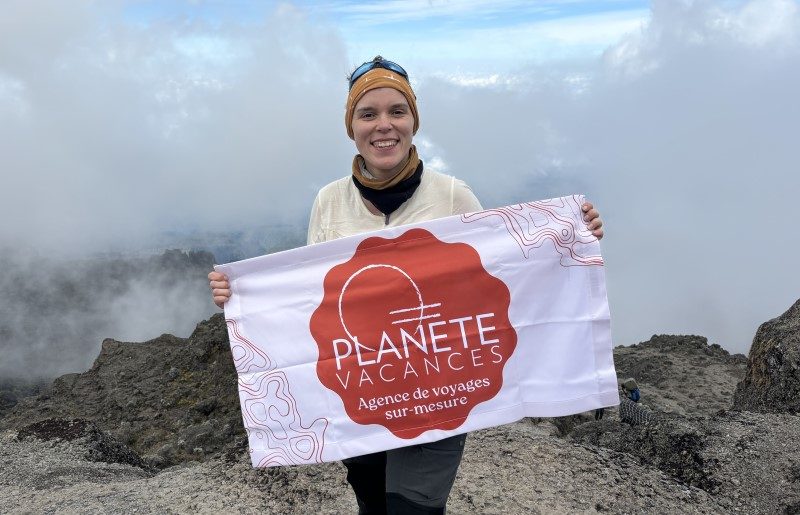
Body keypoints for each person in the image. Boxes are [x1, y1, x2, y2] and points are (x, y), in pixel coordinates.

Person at [208, 56, 604, 514]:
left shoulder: (453, 195)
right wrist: (244, 300)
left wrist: (571, 237)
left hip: (441, 394)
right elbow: (311, 298)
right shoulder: (329, 201)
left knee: (413, 509)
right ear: (350, 126)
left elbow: (504, 270)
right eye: (368, 113)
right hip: (364, 390)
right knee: (373, 505)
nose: (384, 126)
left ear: (414, 120)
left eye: (397, 111)